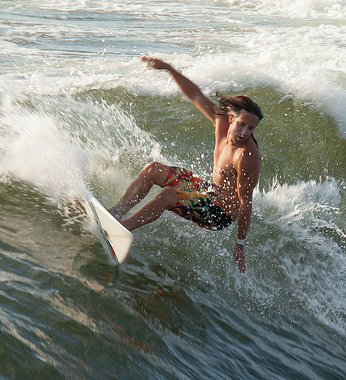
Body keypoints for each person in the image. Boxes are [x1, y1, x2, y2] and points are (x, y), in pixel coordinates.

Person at [109, 57, 263, 273]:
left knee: (168, 194)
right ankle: (115, 213)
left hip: (221, 213)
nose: (244, 132)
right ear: (230, 119)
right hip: (209, 190)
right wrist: (169, 69)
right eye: (241, 124)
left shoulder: (246, 156)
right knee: (153, 169)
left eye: (251, 129)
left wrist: (240, 244)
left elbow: (245, 202)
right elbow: (195, 95)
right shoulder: (220, 121)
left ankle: (122, 229)